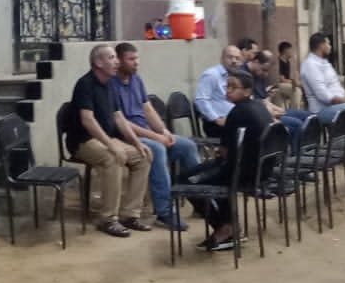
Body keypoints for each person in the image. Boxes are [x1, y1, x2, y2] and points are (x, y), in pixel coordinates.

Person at [179, 69, 272, 253]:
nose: (228, 90)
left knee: (184, 181)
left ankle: (224, 227)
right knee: (214, 170)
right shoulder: (260, 107)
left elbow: (224, 151)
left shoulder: (237, 113)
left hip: (241, 173)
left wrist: (220, 154)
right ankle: (230, 225)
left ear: (247, 91)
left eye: (233, 87)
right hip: (261, 170)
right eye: (227, 86)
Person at [64, 44, 152, 237]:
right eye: (112, 58)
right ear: (98, 62)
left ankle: (130, 214)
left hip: (105, 139)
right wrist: (112, 145)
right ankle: (108, 219)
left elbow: (119, 118)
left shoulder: (110, 84)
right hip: (83, 141)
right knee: (113, 158)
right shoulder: (85, 84)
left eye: (116, 58)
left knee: (144, 156)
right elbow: (88, 120)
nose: (117, 62)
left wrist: (137, 143)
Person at [111, 43, 199, 232]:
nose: (136, 62)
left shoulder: (136, 80)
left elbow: (148, 109)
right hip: (126, 137)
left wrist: (164, 131)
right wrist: (156, 137)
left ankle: (200, 198)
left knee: (187, 146)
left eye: (137, 58)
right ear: (118, 60)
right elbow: (123, 123)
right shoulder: (111, 84)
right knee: (157, 149)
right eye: (131, 59)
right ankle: (165, 211)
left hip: (147, 132)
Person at [300, 33, 345, 122]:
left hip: (338, 106)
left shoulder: (325, 63)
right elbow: (325, 96)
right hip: (322, 110)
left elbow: (337, 87)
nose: (330, 47)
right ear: (321, 46)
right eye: (328, 44)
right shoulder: (310, 65)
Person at [194, 45, 245, 137]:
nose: (234, 61)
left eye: (237, 58)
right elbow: (201, 100)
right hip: (217, 124)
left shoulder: (236, 76)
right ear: (222, 59)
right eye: (230, 57)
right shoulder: (212, 75)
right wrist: (216, 119)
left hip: (232, 120)